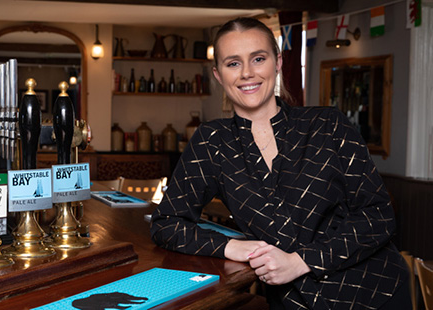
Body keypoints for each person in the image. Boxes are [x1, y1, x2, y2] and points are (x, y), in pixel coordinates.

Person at [150, 17, 410, 310]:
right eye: (233, 63)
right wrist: (233, 247)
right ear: (218, 75)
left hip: (373, 291)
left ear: (277, 62)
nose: (247, 73)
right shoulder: (212, 141)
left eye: (258, 59)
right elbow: (166, 224)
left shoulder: (328, 124)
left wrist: (302, 262)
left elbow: (378, 217)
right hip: (294, 301)